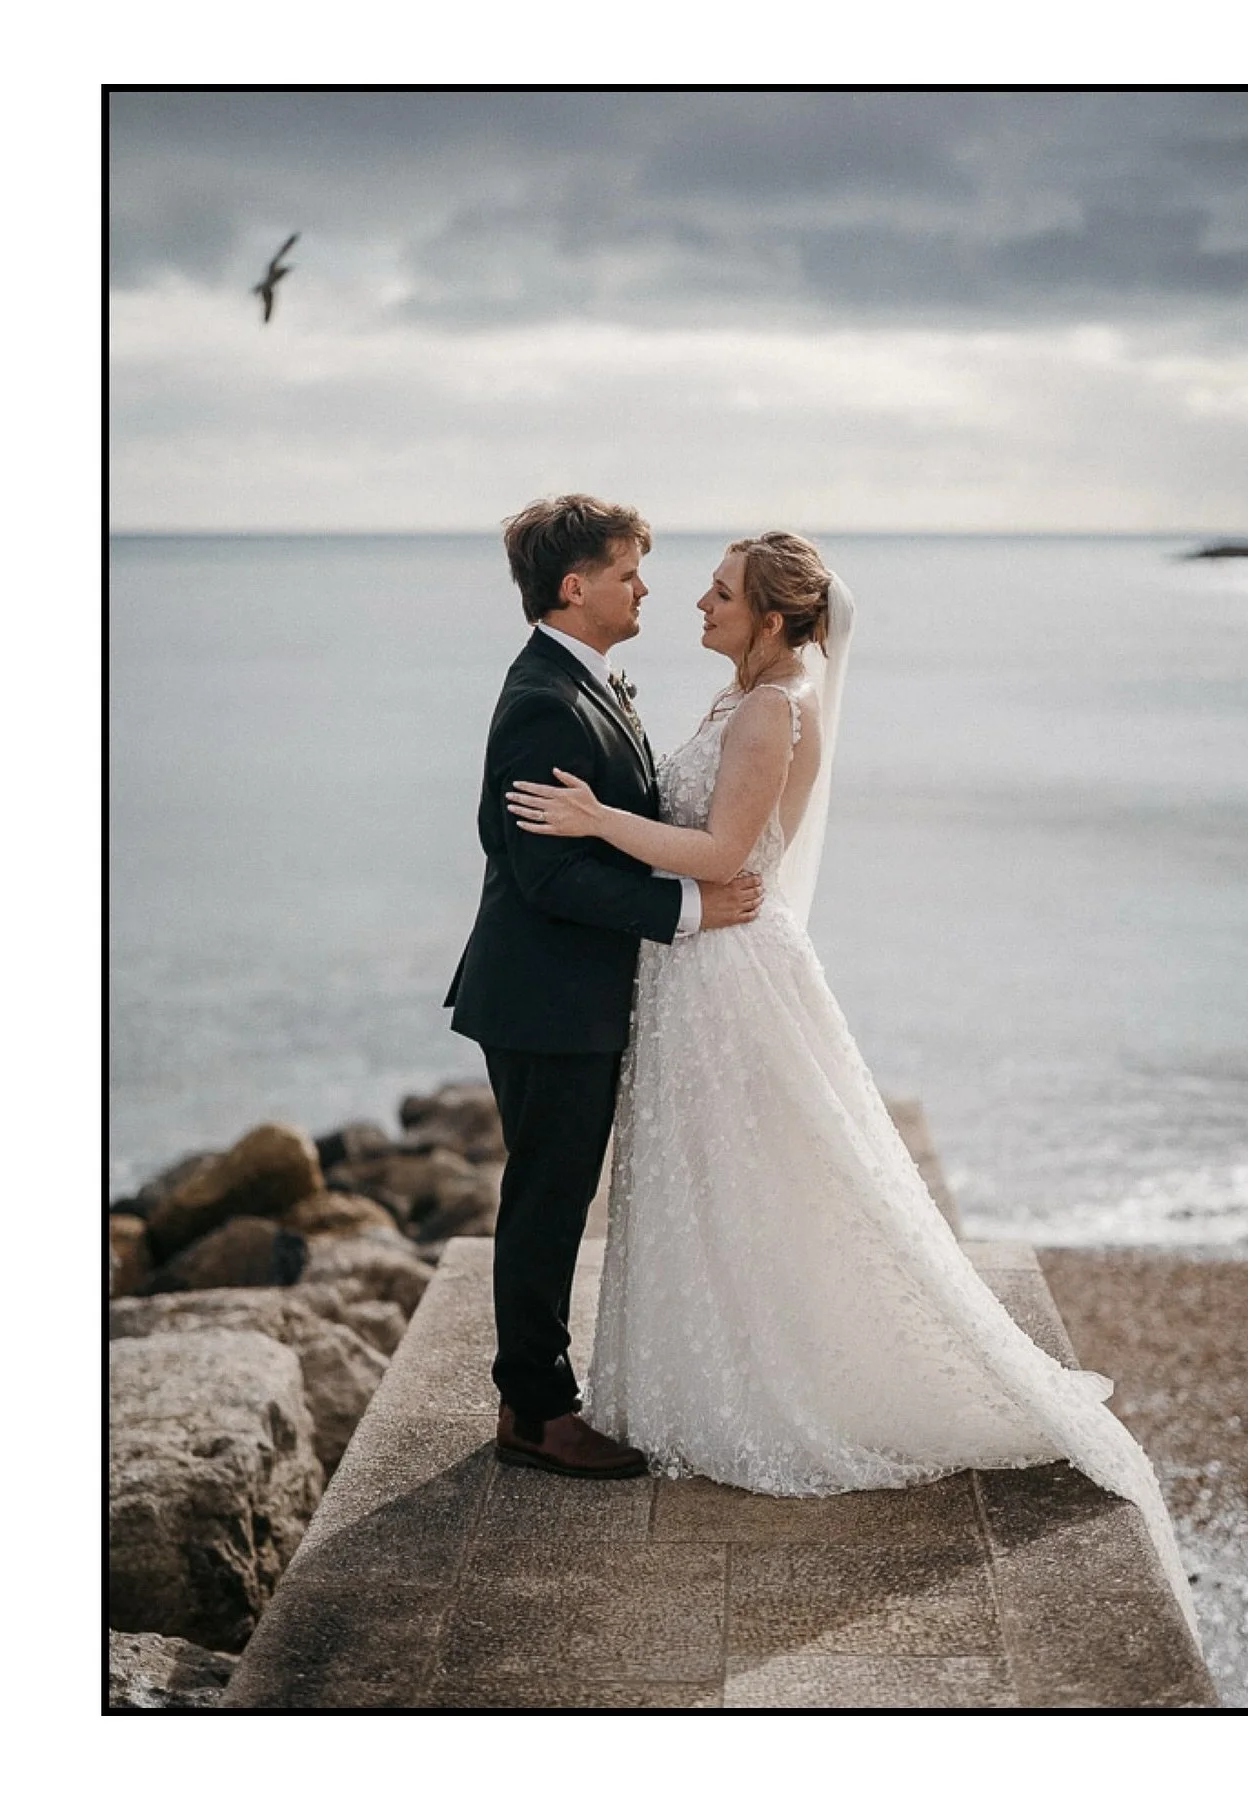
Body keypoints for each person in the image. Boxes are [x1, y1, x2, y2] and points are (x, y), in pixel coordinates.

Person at [506, 530, 1200, 1641]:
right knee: (707, 1183)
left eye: (721, 592)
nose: (697, 601)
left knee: (762, 1179)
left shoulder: (774, 708)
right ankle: (704, 1372)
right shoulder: (747, 694)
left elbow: (725, 854)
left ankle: (770, 1383)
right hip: (693, 969)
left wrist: (596, 821)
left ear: (775, 616)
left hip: (726, 970)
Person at [444, 495, 763, 1480]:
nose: (646, 588)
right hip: (545, 1000)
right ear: (576, 587)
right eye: (629, 573)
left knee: (556, 1193)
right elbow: (546, 874)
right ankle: (536, 1412)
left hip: (570, 994)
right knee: (546, 1202)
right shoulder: (543, 699)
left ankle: (534, 1401)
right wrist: (690, 908)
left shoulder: (584, 681)